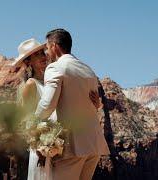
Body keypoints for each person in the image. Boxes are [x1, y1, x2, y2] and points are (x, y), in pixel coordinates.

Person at [12, 38, 103, 180]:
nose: (43, 57)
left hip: (58, 146)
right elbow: (26, 121)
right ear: (28, 62)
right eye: (37, 55)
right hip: (43, 148)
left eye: (42, 53)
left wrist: (96, 105)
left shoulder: (53, 78)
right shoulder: (31, 84)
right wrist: (40, 147)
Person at [35, 29, 110, 180]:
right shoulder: (88, 70)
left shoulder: (56, 68)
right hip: (93, 144)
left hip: (72, 145)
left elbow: (47, 104)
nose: (47, 53)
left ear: (54, 46)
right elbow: (94, 104)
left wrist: (34, 120)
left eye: (47, 48)